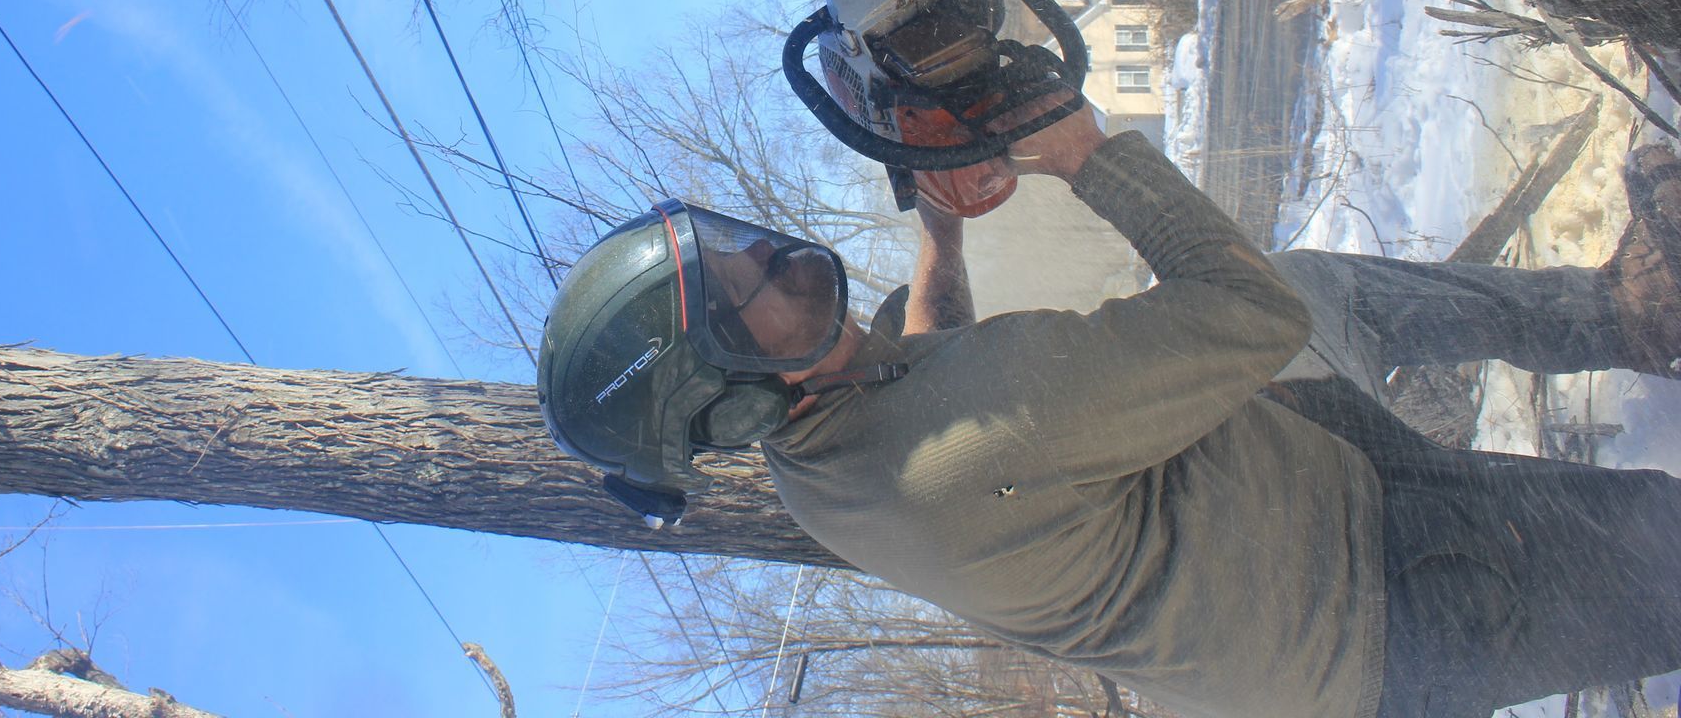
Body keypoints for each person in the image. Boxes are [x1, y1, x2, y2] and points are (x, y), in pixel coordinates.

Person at [536, 104, 1681, 718]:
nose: (786, 266)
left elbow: (923, 365)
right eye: (755, 301)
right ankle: (1629, 329)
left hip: (1310, 500)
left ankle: (1621, 316)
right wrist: (1077, 144)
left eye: (749, 247)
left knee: (1332, 289)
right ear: (729, 408)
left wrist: (940, 233)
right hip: (1385, 597)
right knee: (1659, 554)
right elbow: (1247, 314)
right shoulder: (970, 447)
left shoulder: (823, 455)